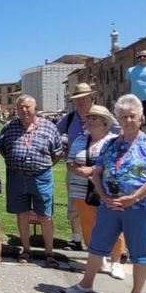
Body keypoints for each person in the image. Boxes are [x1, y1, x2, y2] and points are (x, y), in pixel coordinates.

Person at [63, 94, 146, 293]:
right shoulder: (111, 144)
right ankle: (86, 284)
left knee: (141, 254)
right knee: (96, 247)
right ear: (118, 119)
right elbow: (97, 174)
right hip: (110, 206)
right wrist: (103, 196)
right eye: (123, 116)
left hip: (141, 208)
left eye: (132, 116)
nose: (128, 120)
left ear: (140, 118)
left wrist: (133, 198)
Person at [0, 94, 63, 267]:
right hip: (17, 176)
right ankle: (26, 250)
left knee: (45, 215)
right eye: (20, 107)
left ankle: (49, 253)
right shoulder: (9, 127)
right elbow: (3, 149)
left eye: (27, 107)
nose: (24, 110)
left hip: (40, 176)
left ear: (35, 107)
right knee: (22, 214)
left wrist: (43, 165)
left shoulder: (49, 127)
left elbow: (57, 152)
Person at [55, 83, 118, 251]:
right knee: (75, 204)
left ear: (92, 97)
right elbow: (54, 133)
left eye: (83, 98)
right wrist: (62, 144)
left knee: (105, 206)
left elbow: (121, 134)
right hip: (76, 168)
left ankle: (113, 246)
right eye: (77, 99)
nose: (80, 101)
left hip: (101, 170)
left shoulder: (104, 116)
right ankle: (76, 239)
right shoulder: (68, 118)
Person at [66, 105, 125, 278]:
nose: (90, 121)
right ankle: (98, 258)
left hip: (108, 191)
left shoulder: (115, 141)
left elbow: (119, 164)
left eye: (95, 118)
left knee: (114, 225)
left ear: (105, 123)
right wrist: (79, 170)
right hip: (81, 190)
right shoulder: (79, 140)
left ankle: (116, 261)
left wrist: (93, 171)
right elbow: (70, 162)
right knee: (89, 225)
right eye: (89, 118)